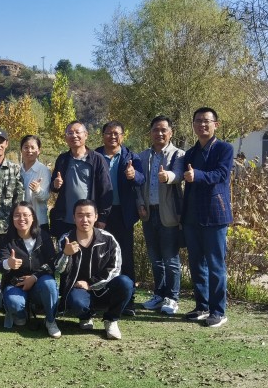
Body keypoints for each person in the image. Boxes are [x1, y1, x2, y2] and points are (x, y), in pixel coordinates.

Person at [181, 107, 233, 328]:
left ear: (215, 125)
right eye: (198, 121)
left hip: (215, 214)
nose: (202, 125)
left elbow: (221, 174)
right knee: (196, 264)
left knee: (215, 265)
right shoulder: (190, 153)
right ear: (193, 124)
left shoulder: (224, 148)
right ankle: (202, 306)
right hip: (191, 216)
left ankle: (218, 311)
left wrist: (198, 175)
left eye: (206, 121)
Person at [56, 199, 133, 340]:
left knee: (126, 283)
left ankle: (111, 319)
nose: (84, 220)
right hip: (78, 289)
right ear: (74, 217)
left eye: (88, 215)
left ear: (96, 217)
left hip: (103, 288)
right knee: (77, 303)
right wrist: (66, 254)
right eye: (80, 215)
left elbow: (115, 269)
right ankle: (85, 316)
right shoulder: (65, 239)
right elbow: (59, 270)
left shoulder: (108, 239)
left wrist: (90, 284)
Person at [137, 116, 186, 315]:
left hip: (169, 214)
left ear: (170, 133)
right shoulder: (142, 156)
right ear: (150, 133)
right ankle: (159, 294)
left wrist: (168, 176)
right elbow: (138, 184)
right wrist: (140, 203)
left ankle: (172, 297)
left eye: (163, 130)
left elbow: (179, 174)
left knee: (170, 259)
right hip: (149, 213)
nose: (159, 133)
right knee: (155, 258)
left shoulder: (178, 154)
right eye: (155, 130)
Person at [99, 121, 144, 315]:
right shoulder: (95, 155)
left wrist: (133, 175)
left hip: (123, 214)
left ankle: (128, 301)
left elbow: (141, 179)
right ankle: (102, 298)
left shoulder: (131, 157)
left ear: (123, 136)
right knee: (101, 257)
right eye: (108, 133)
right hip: (100, 215)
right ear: (103, 135)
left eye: (116, 133)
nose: (112, 136)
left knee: (125, 258)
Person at [0, 202, 61, 338]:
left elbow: (52, 263)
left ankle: (50, 320)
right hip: (16, 283)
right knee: (14, 303)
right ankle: (21, 313)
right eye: (17, 215)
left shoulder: (43, 236)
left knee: (49, 284)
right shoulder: (6, 239)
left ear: (33, 218)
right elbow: (0, 266)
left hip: (40, 281)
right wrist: (8, 263)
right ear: (12, 218)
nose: (21, 219)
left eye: (26, 215)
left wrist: (34, 277)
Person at [50, 121, 112, 240]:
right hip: (66, 219)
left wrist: (102, 217)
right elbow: (54, 187)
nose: (74, 136)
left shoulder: (97, 159)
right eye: (70, 133)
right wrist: (56, 184)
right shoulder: (62, 159)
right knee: (66, 249)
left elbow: (106, 189)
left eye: (77, 132)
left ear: (86, 135)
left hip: (88, 220)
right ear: (66, 137)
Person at [19, 135, 51, 233]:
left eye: (33, 147)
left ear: (39, 151)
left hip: (38, 221)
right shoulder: (18, 170)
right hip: (21, 221)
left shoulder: (43, 170)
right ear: (21, 150)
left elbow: (46, 197)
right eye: (26, 147)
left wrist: (37, 190)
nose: (29, 151)